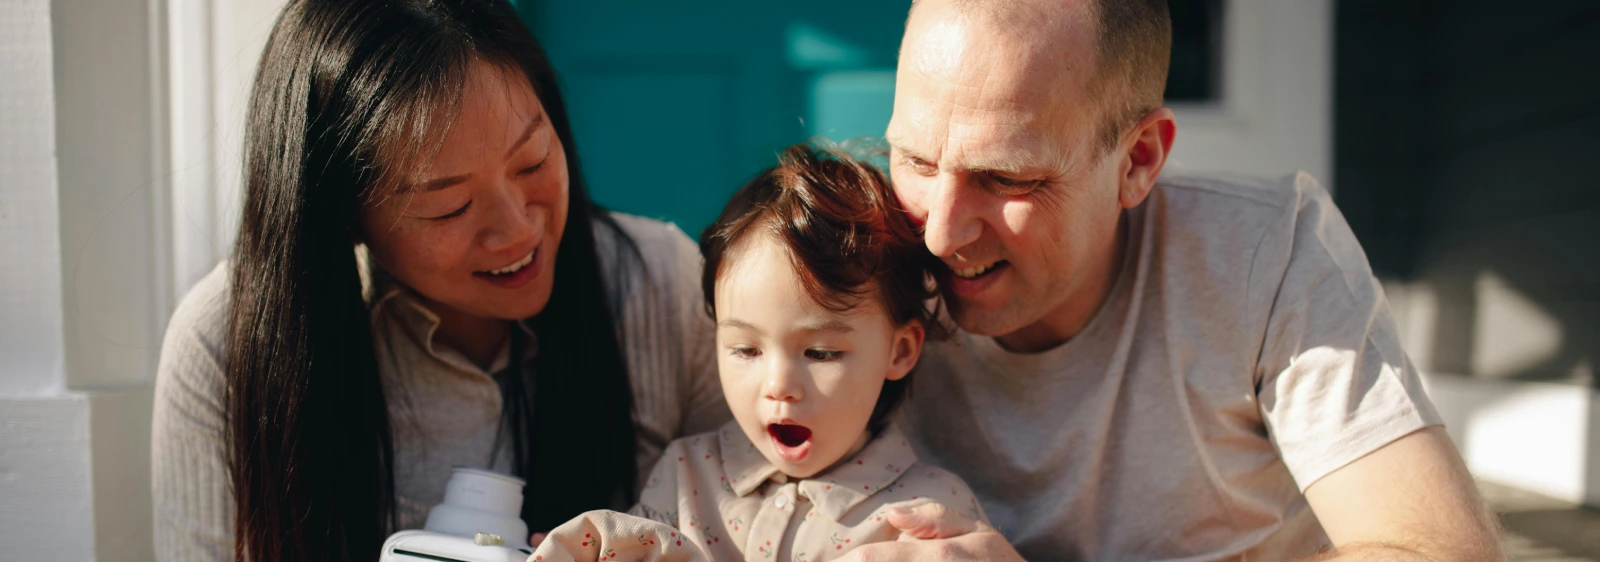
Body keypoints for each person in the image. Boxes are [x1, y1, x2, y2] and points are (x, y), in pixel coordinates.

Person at [846, 0, 1505, 560]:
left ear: (1138, 160)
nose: (939, 235)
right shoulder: (855, 260)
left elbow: (1434, 550)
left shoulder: (1265, 250)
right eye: (916, 160)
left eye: (1007, 179)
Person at [149, 1, 727, 560]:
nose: (517, 229)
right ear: (341, 217)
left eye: (532, 162)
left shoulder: (661, 284)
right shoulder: (227, 347)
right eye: (449, 207)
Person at [527, 144, 990, 562]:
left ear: (901, 350)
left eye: (821, 353)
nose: (779, 386)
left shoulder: (930, 515)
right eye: (746, 349)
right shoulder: (686, 477)